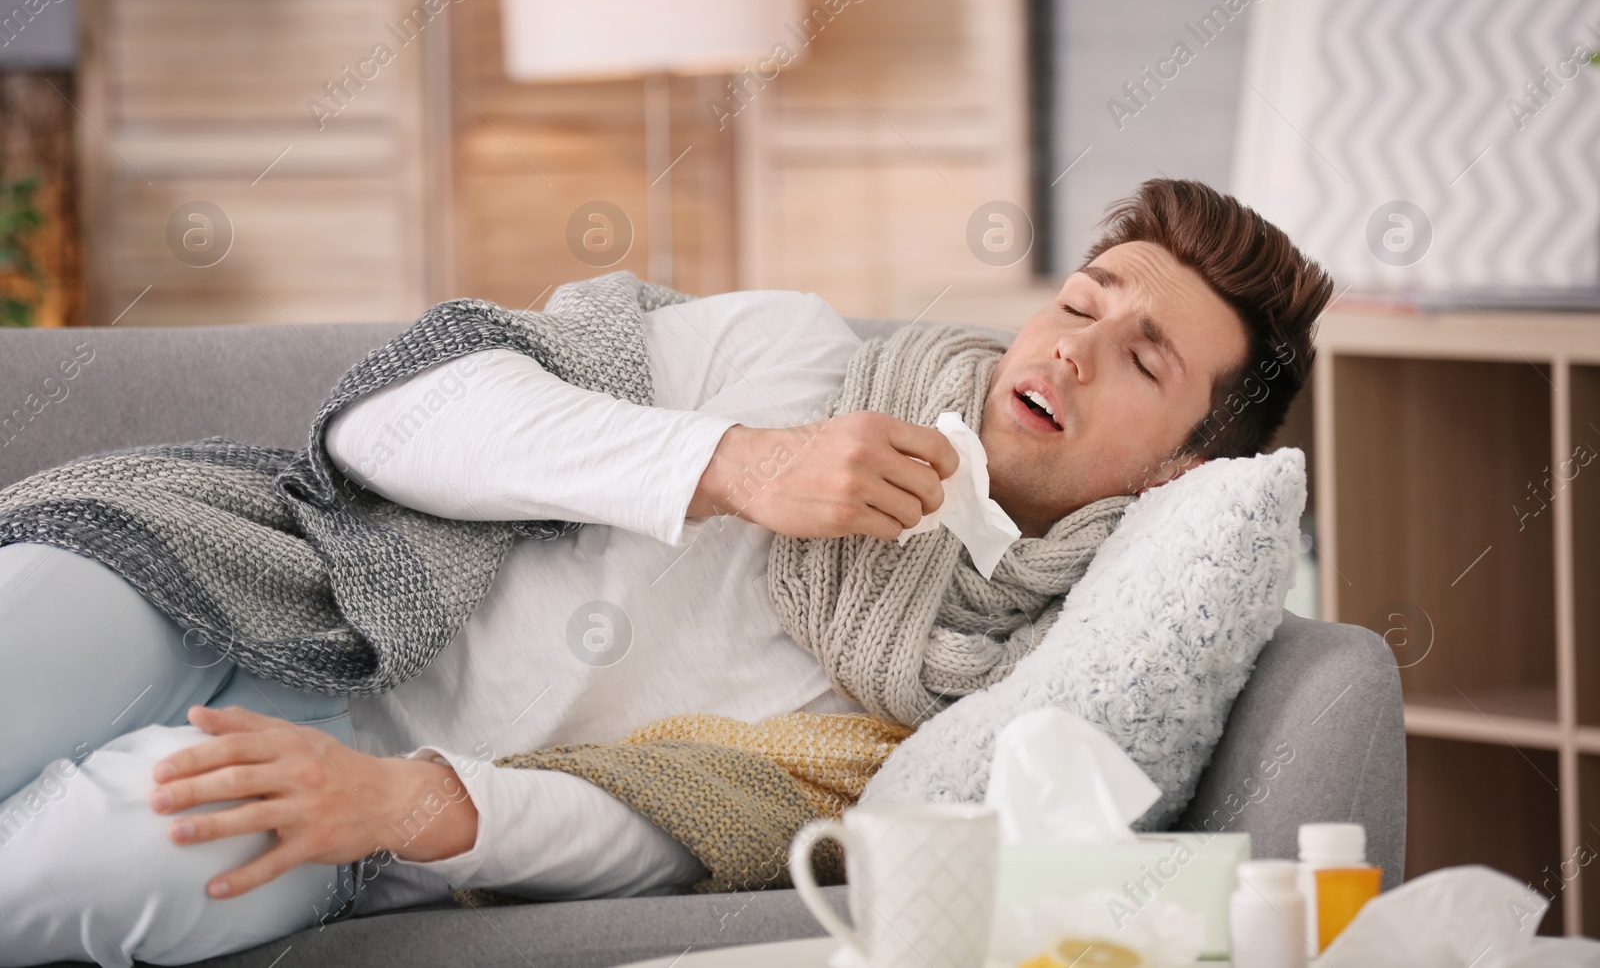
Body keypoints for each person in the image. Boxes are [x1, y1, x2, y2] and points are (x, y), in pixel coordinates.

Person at [0, 179, 1331, 965]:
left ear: (1175, 475)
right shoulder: (795, 365)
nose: (1073, 351)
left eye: (1145, 361)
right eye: (1086, 299)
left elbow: (687, 833)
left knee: (62, 875)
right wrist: (735, 465)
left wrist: (413, 806)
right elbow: (389, 417)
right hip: (251, 574)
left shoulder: (975, 699)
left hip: (363, 808)